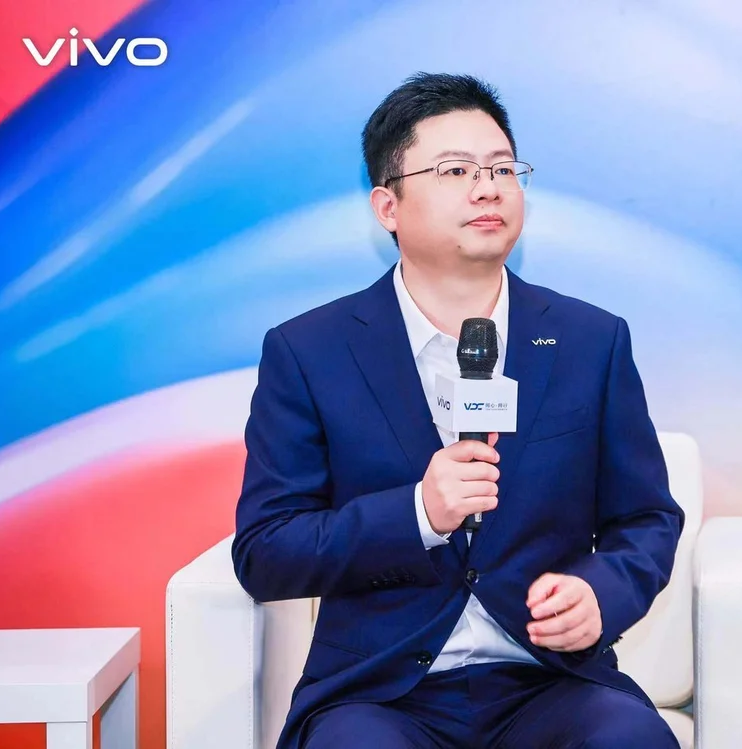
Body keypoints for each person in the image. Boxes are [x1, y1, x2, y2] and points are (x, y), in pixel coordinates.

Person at [231, 72, 685, 749]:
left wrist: (601, 592)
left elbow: (646, 518)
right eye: (455, 170)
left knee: (630, 740)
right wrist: (418, 512)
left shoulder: (590, 340)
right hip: (382, 694)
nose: (487, 188)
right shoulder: (309, 351)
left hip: (548, 680)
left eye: (502, 168)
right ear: (388, 206)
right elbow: (267, 550)